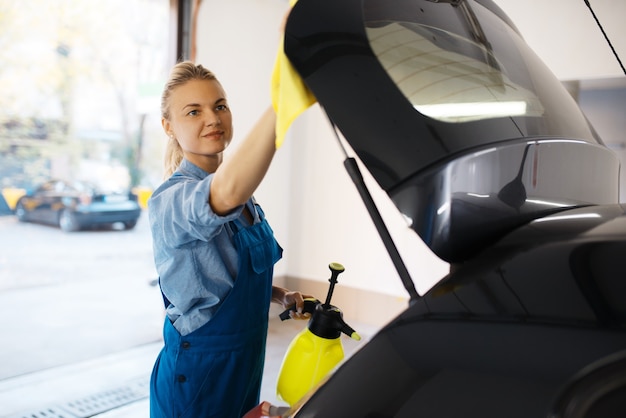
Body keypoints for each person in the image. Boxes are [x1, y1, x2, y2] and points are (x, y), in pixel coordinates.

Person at [148, 60, 311, 418]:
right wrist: (282, 103)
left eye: (220, 105)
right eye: (193, 111)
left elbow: (222, 281)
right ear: (168, 127)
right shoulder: (170, 201)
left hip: (246, 361)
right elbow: (224, 194)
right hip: (199, 376)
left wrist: (279, 295)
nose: (213, 118)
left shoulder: (246, 198)